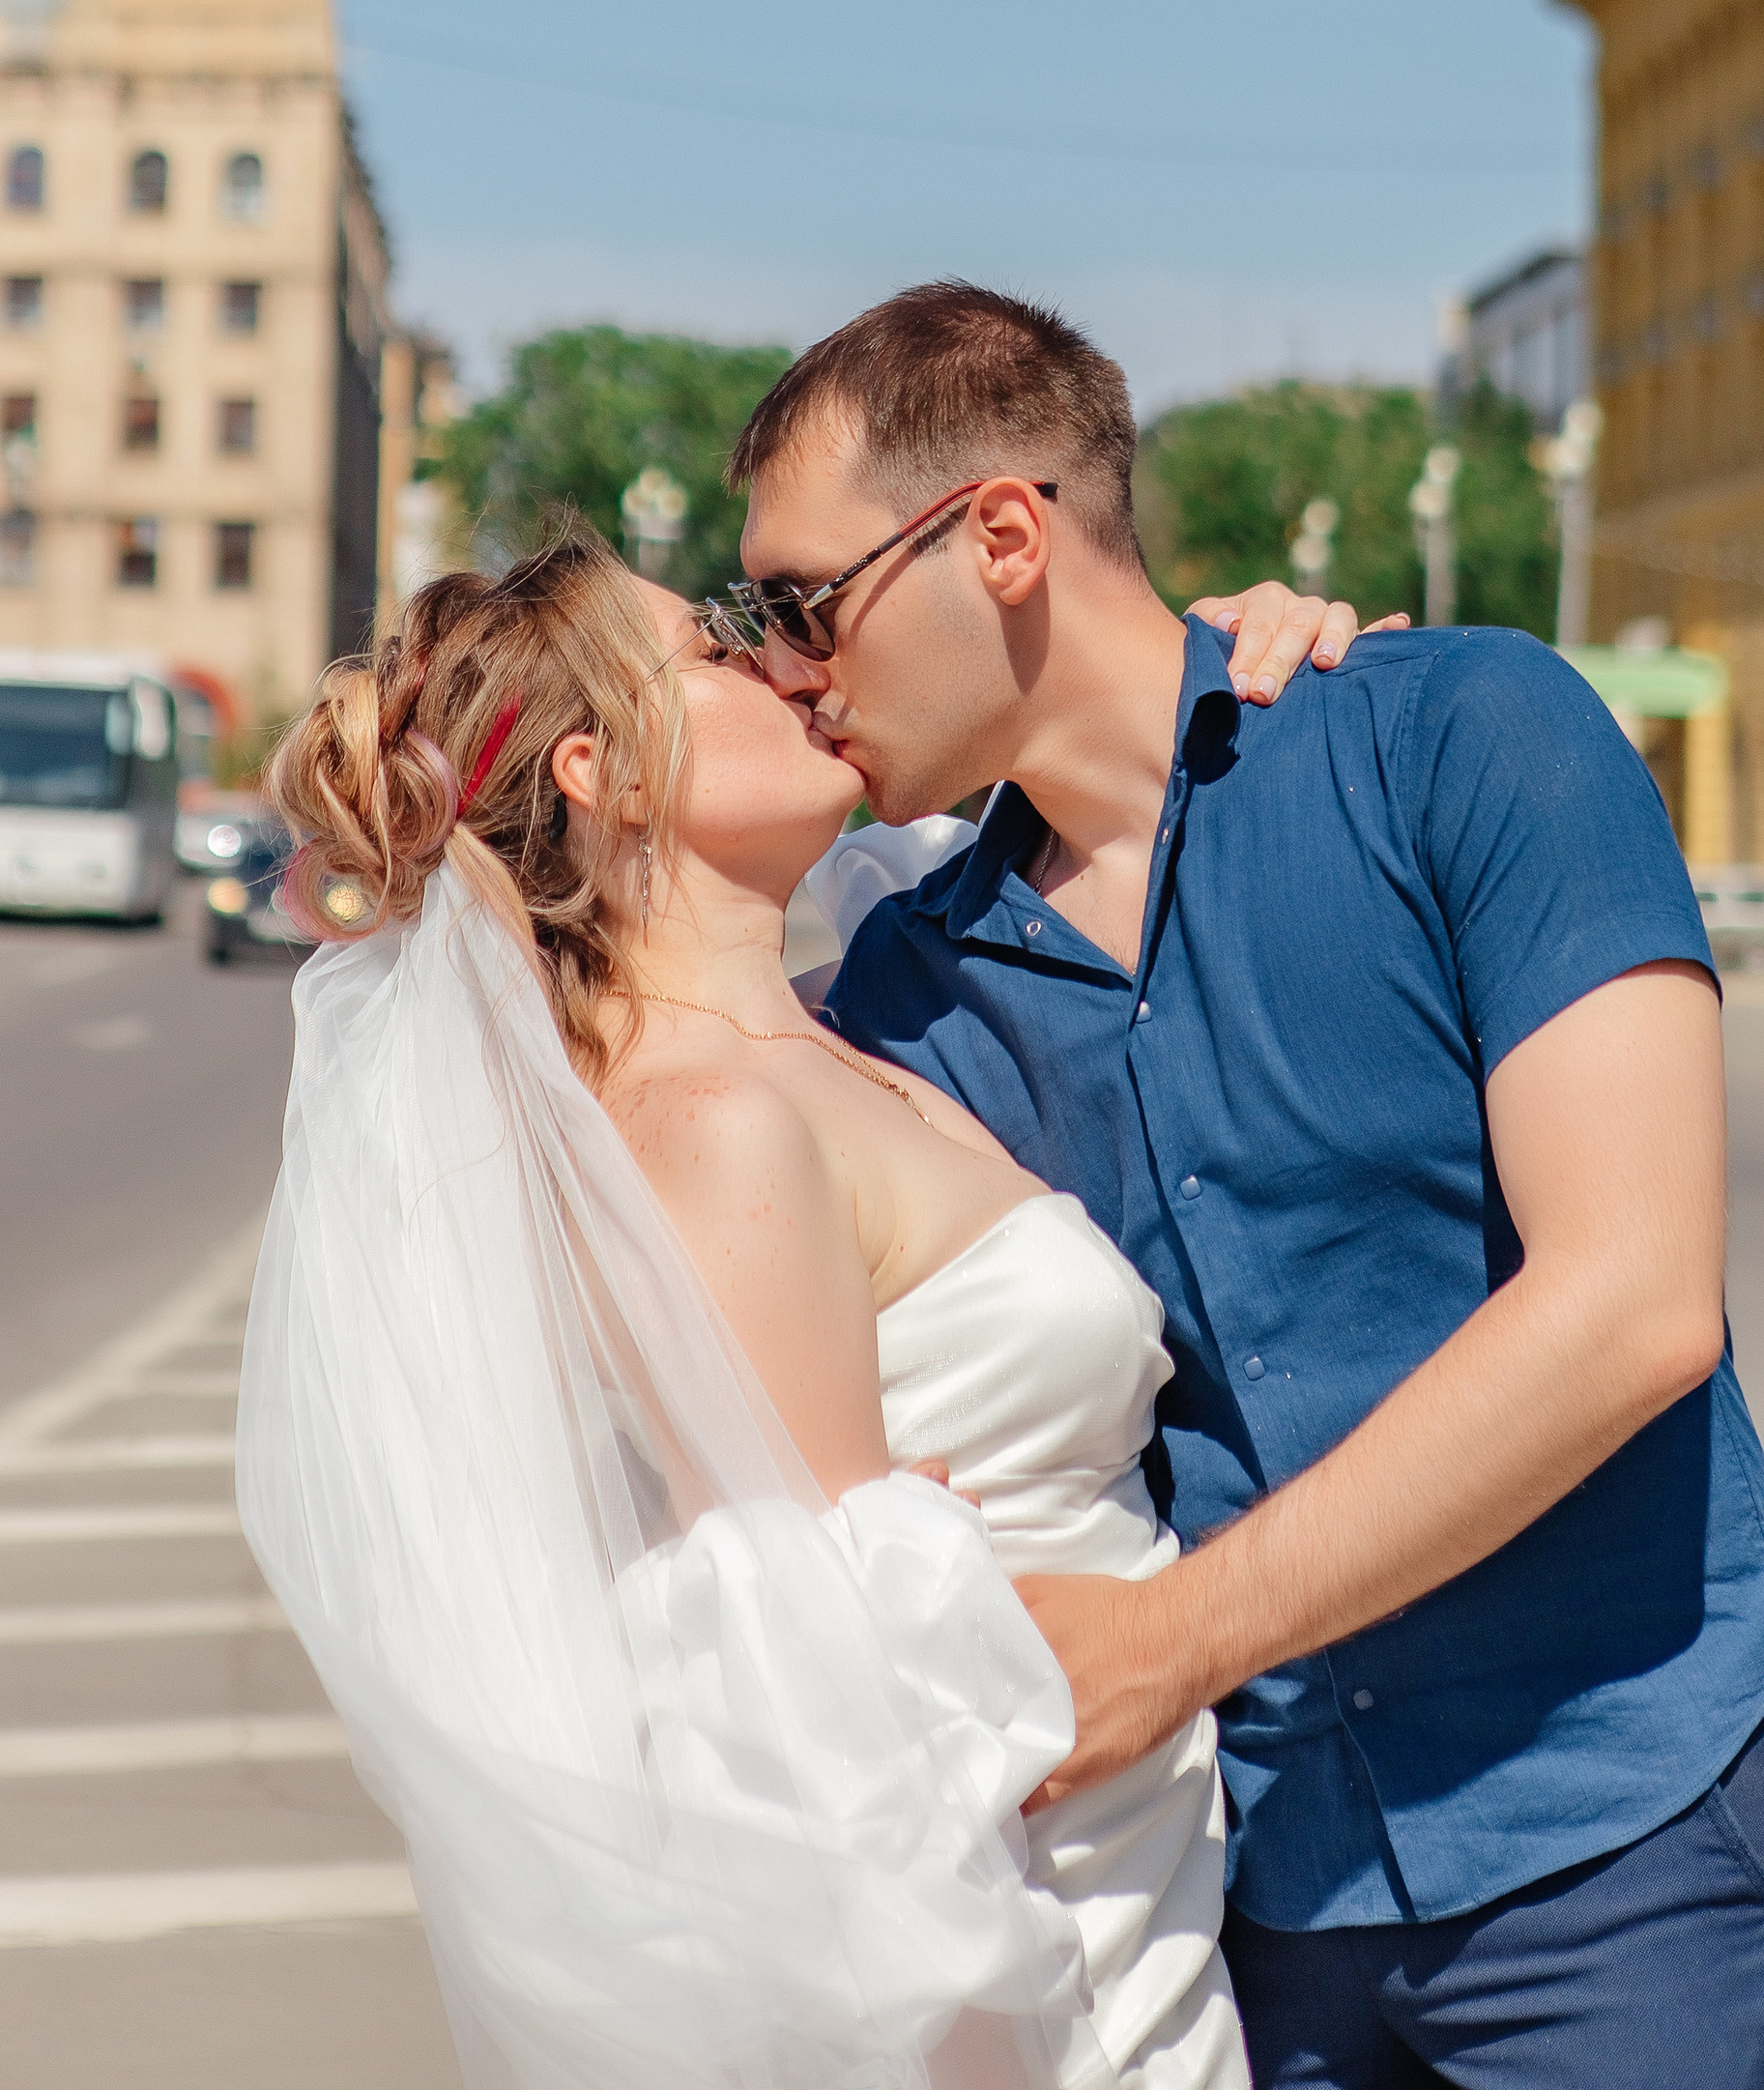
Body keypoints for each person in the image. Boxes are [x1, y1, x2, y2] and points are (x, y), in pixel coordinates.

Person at [726, 279, 1764, 2090]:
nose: (790, 671)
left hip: (1630, 1855)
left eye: (806, 607)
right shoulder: (902, 1004)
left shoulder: (1463, 734)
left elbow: (1637, 1303)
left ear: (1000, 537)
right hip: (1238, 1933)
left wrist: (1168, 1644)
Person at [237, 525, 1363, 2090]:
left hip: (1139, 1895)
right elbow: (834, 1755)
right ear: (603, 777)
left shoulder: (828, 1035)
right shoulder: (716, 1129)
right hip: (1055, 1980)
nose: (783, 662)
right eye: (710, 653)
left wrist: (1204, 671)